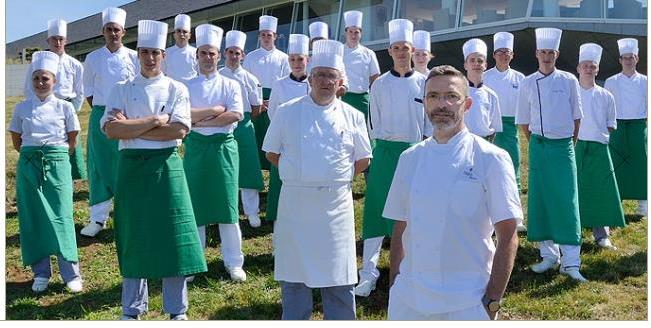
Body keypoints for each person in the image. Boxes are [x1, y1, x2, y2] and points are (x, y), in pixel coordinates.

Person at [385, 65, 521, 320]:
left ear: (467, 104)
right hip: (409, 300)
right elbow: (400, 226)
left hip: (467, 301)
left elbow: (508, 233)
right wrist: (395, 286)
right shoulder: (409, 158)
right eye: (433, 96)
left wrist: (492, 299)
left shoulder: (491, 158)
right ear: (424, 103)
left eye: (451, 96)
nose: (442, 104)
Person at [101, 20, 207, 320]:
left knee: (173, 234)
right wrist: (154, 121)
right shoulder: (121, 88)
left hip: (166, 166)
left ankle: (176, 309)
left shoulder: (177, 88)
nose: (150, 58)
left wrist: (132, 128)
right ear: (138, 55)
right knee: (135, 235)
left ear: (164, 56)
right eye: (144, 52)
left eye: (155, 53)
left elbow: (178, 132)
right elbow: (110, 129)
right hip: (131, 168)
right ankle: (132, 309)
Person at [263, 39, 372, 320]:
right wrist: (299, 174)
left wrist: (335, 176)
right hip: (295, 204)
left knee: (338, 272)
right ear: (310, 79)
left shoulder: (353, 116)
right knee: (295, 273)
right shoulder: (287, 111)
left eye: (331, 76)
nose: (325, 81)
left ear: (340, 82)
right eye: (320, 75)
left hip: (335, 205)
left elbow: (363, 159)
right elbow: (272, 153)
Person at [358, 18, 428, 297]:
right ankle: (368, 273)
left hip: (414, 152)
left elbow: (428, 124)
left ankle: (410, 269)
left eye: (405, 47)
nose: (401, 52)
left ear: (412, 50)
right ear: (389, 51)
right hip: (385, 153)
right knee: (376, 211)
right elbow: (372, 123)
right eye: (396, 47)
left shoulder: (424, 83)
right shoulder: (379, 85)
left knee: (413, 212)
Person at [516, 28, 587, 282]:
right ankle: (549, 255)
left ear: (557, 54)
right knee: (541, 198)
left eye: (551, 52)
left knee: (567, 200)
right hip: (539, 146)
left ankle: (571, 262)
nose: (547, 57)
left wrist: (568, 143)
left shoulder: (569, 80)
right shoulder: (527, 82)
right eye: (543, 52)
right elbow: (523, 120)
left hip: (563, 146)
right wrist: (537, 142)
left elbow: (577, 117)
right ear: (537, 54)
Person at [10, 51, 84, 294]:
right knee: (34, 218)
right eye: (37, 78)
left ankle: (71, 272)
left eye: (46, 79)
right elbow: (17, 141)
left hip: (57, 163)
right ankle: (41, 272)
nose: (41, 83)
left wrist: (57, 157)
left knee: (62, 214)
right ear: (32, 81)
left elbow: (72, 138)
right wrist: (33, 157)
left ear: (55, 81)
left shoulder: (65, 107)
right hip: (29, 166)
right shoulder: (22, 108)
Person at [185, 24, 247, 282]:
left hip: (223, 148)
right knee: (195, 204)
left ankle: (234, 261)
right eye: (203, 53)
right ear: (196, 55)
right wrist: (215, 111)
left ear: (218, 55)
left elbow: (235, 114)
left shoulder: (230, 84)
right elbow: (183, 115)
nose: (208, 58)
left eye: (212, 53)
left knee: (227, 205)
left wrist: (202, 121)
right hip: (196, 149)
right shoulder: (185, 86)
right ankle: (195, 260)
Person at [81, 7, 138, 237]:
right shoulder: (93, 58)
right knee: (99, 165)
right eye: (108, 29)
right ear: (103, 32)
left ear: (123, 31)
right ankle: (98, 218)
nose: (113, 33)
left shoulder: (134, 57)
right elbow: (88, 90)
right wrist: (104, 111)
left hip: (129, 115)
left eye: (116, 29)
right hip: (101, 114)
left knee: (127, 162)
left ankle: (130, 213)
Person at [575, 43, 626, 249]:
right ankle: (573, 232)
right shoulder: (571, 91)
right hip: (575, 145)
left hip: (599, 147)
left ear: (597, 69)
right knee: (575, 189)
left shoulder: (606, 95)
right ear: (578, 68)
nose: (588, 69)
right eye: (585, 65)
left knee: (600, 190)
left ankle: (602, 234)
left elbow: (610, 125)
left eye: (592, 66)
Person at [24, 19, 86, 181]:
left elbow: (80, 90)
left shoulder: (75, 64)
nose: (58, 42)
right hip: (43, 103)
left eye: (61, 39)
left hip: (67, 104)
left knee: (71, 139)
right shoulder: (36, 64)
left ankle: (74, 174)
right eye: (54, 39)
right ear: (48, 41)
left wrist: (74, 110)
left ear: (66, 40)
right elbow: (28, 87)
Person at [219, 30, 265, 228]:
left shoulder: (250, 78)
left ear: (243, 55)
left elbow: (257, 107)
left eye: (237, 53)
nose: (234, 56)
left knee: (247, 168)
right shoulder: (218, 76)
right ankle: (226, 211)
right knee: (223, 168)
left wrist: (243, 120)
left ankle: (252, 212)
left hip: (244, 127)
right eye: (230, 52)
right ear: (224, 53)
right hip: (221, 125)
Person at [484, 32, 527, 232]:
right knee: (489, 171)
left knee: (513, 169)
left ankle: (516, 217)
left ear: (512, 55)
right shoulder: (485, 77)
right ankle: (488, 217)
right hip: (489, 128)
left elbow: (526, 107)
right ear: (494, 55)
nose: (503, 55)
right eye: (499, 52)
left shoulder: (520, 78)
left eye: (506, 52)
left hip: (511, 128)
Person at [265, 34, 311, 223]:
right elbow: (273, 111)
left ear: (307, 60)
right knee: (281, 176)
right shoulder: (280, 84)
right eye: (292, 59)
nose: (296, 63)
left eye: (300, 59)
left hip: (309, 137)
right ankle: (278, 216)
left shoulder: (313, 83)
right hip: (286, 138)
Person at [605, 38, 648, 216]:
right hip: (618, 126)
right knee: (617, 163)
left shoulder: (646, 81)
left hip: (638, 125)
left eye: (632, 57)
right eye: (625, 57)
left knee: (642, 162)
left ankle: (643, 204)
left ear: (637, 59)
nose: (628, 60)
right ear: (620, 60)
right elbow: (606, 106)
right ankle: (618, 202)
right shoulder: (611, 81)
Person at [242, 15, 290, 171]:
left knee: (275, 137)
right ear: (259, 36)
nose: (266, 38)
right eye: (263, 35)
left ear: (275, 36)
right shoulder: (251, 57)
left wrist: (274, 101)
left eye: (269, 35)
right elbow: (246, 81)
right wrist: (257, 102)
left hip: (276, 102)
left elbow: (286, 82)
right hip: (256, 102)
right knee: (257, 138)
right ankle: (256, 170)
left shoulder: (284, 58)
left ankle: (275, 169)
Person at [341, 10, 381, 123]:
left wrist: (374, 99)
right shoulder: (339, 52)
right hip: (343, 98)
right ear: (346, 33)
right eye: (351, 32)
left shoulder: (369, 53)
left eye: (356, 32)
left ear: (360, 34)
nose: (353, 35)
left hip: (363, 99)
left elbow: (375, 78)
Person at [462, 38, 502, 142]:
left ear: (485, 65)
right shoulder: (457, 93)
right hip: (462, 143)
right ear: (465, 65)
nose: (477, 64)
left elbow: (495, 127)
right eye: (472, 60)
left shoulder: (492, 95)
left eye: (480, 61)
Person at [162, 14, 198, 84]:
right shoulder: (166, 53)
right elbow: (162, 74)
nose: (181, 34)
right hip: (172, 90)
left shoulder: (196, 52)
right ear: (174, 35)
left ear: (189, 35)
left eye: (185, 32)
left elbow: (201, 73)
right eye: (178, 31)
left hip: (192, 89)